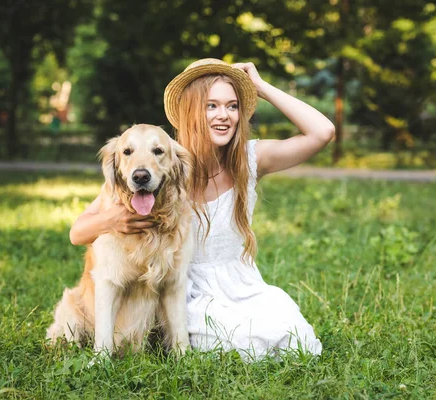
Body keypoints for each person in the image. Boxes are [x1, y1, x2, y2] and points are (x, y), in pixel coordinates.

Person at [69, 58, 335, 360]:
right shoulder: (167, 159)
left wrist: (261, 88)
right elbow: (77, 233)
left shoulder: (250, 159)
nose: (224, 116)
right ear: (192, 110)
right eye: (212, 106)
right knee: (233, 343)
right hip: (187, 291)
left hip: (241, 285)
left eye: (233, 106)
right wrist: (112, 218)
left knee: (294, 338)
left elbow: (323, 132)